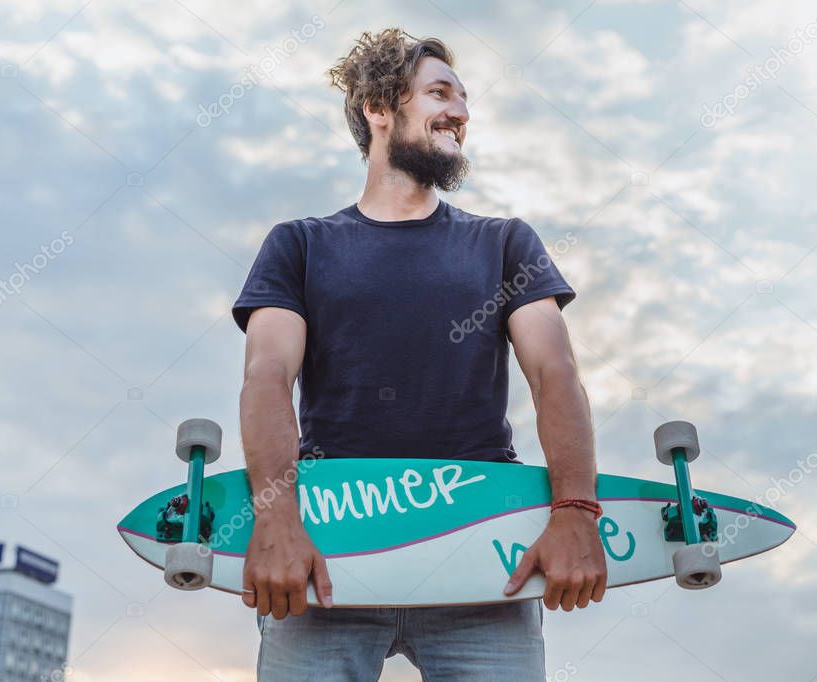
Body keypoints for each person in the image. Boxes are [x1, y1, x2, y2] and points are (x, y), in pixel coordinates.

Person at [232, 27, 606, 682]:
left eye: (464, 100)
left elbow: (555, 374)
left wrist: (575, 510)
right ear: (379, 107)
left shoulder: (504, 243)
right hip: (329, 546)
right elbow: (267, 376)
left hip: (482, 558)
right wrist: (276, 518)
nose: (460, 112)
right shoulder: (299, 245)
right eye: (439, 93)